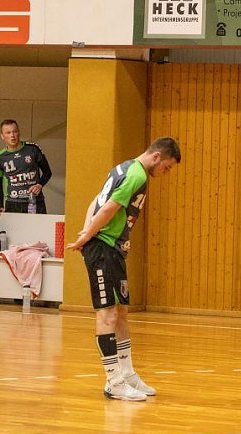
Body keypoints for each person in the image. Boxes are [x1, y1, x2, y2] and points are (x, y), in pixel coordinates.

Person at [67, 138, 181, 402]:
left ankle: (127, 374)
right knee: (106, 313)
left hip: (113, 249)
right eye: (167, 167)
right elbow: (107, 208)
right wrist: (87, 239)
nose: (166, 173)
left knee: (121, 313)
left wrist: (86, 230)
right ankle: (113, 381)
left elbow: (94, 201)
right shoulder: (136, 175)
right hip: (103, 248)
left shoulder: (125, 168)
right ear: (156, 157)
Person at [0, 119, 53, 216]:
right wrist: (0, 205)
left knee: (38, 230)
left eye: (15, 131)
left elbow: (47, 172)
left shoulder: (33, 149)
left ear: (19, 132)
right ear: (2, 136)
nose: (12, 135)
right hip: (12, 203)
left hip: (35, 201)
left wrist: (39, 185)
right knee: (14, 231)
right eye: (8, 133)